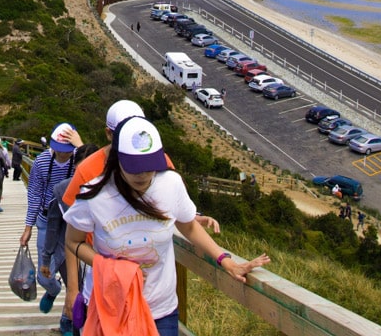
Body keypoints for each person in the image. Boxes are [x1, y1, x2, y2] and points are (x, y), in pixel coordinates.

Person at [65, 116, 270, 336]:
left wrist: (225, 260)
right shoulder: (94, 194)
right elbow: (72, 241)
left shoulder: (170, 184)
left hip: (160, 311)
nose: (143, 175)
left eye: (149, 166)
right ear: (117, 159)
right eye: (134, 167)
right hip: (111, 307)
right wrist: (111, 268)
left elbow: (188, 226)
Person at [60, 99, 220, 325]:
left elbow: (171, 205)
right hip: (107, 295)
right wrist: (74, 289)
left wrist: (194, 219)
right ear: (111, 136)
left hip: (159, 306)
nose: (144, 174)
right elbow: (71, 235)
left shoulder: (156, 162)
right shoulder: (90, 178)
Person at [21, 123, 83, 315]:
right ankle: (53, 289)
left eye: (67, 150)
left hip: (71, 224)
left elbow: (97, 173)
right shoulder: (40, 162)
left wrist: (80, 146)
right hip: (46, 221)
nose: (62, 154)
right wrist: (28, 226)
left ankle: (67, 318)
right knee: (44, 275)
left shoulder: (78, 161)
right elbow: (34, 195)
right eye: (58, 149)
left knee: (73, 279)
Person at [43, 143, 97, 336]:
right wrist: (46, 258)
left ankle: (70, 322)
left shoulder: (110, 191)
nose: (83, 178)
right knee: (77, 295)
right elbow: (52, 225)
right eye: (78, 171)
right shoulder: (63, 191)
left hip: (97, 256)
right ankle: (70, 323)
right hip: (69, 254)